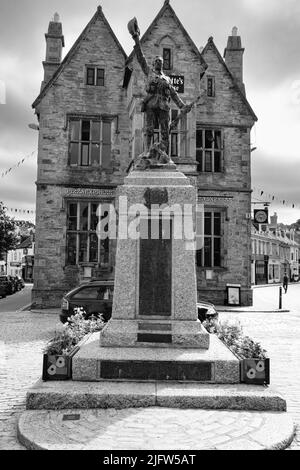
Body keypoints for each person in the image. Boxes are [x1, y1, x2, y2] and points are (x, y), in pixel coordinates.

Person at [128, 17, 190, 156]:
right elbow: (140, 57)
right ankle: (147, 152)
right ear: (154, 63)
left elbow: (174, 94)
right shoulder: (149, 72)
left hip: (163, 105)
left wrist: (182, 106)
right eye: (156, 61)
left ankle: (164, 153)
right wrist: (136, 39)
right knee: (149, 129)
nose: (158, 62)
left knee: (164, 130)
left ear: (162, 64)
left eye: (160, 61)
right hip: (151, 103)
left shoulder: (167, 79)